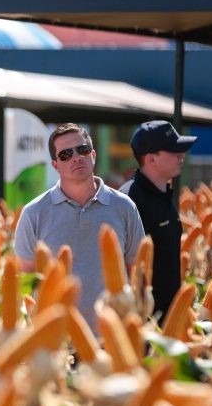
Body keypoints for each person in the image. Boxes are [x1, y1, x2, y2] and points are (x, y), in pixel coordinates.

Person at [14, 123, 144, 333]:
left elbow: (137, 271)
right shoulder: (34, 213)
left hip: (112, 337)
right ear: (55, 165)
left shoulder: (124, 207)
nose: (76, 157)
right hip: (55, 342)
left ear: (93, 154)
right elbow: (26, 280)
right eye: (66, 154)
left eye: (82, 150)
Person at [119, 120, 196, 321]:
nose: (181, 155)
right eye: (173, 151)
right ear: (151, 159)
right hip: (143, 322)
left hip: (168, 319)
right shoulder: (129, 201)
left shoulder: (164, 196)